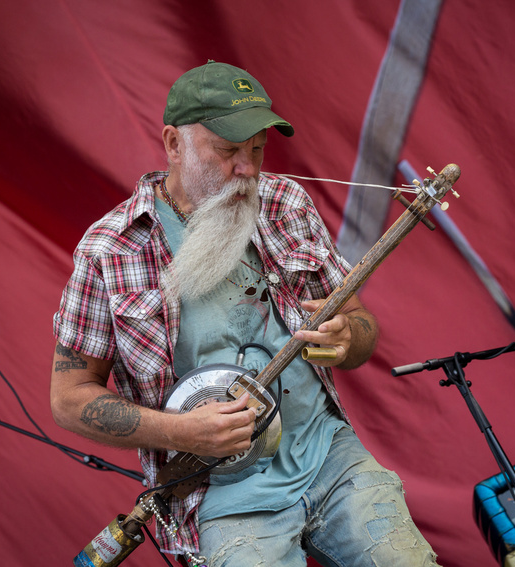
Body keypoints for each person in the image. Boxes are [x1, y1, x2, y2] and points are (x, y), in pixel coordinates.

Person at [50, 60, 440, 567]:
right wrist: (180, 433)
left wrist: (348, 338)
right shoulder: (111, 250)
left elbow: (361, 328)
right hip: (219, 498)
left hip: (327, 455)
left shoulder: (286, 203)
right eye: (229, 150)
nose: (249, 169)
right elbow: (68, 398)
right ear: (174, 144)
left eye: (257, 149)